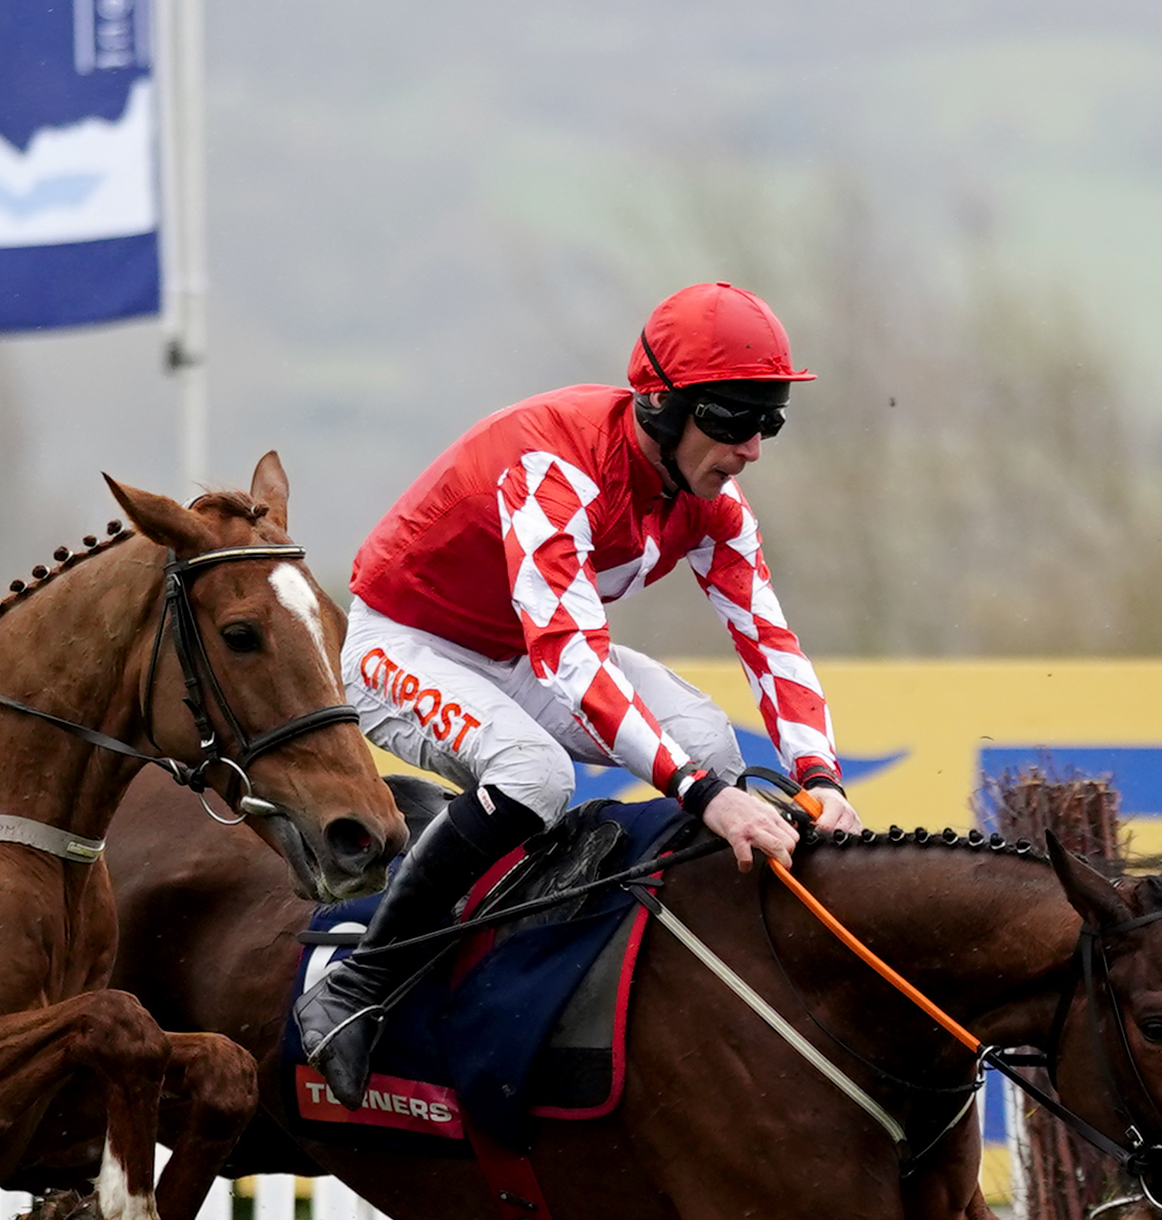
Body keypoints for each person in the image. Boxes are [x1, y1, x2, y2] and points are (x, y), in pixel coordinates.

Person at [292, 282, 863, 1091]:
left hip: (519, 649)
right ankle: (359, 988)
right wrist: (703, 797)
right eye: (734, 422)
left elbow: (769, 642)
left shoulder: (712, 503)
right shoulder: (552, 465)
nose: (752, 449)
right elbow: (570, 659)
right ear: (661, 406)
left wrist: (819, 775)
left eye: (769, 421)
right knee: (537, 775)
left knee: (706, 738)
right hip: (409, 644)